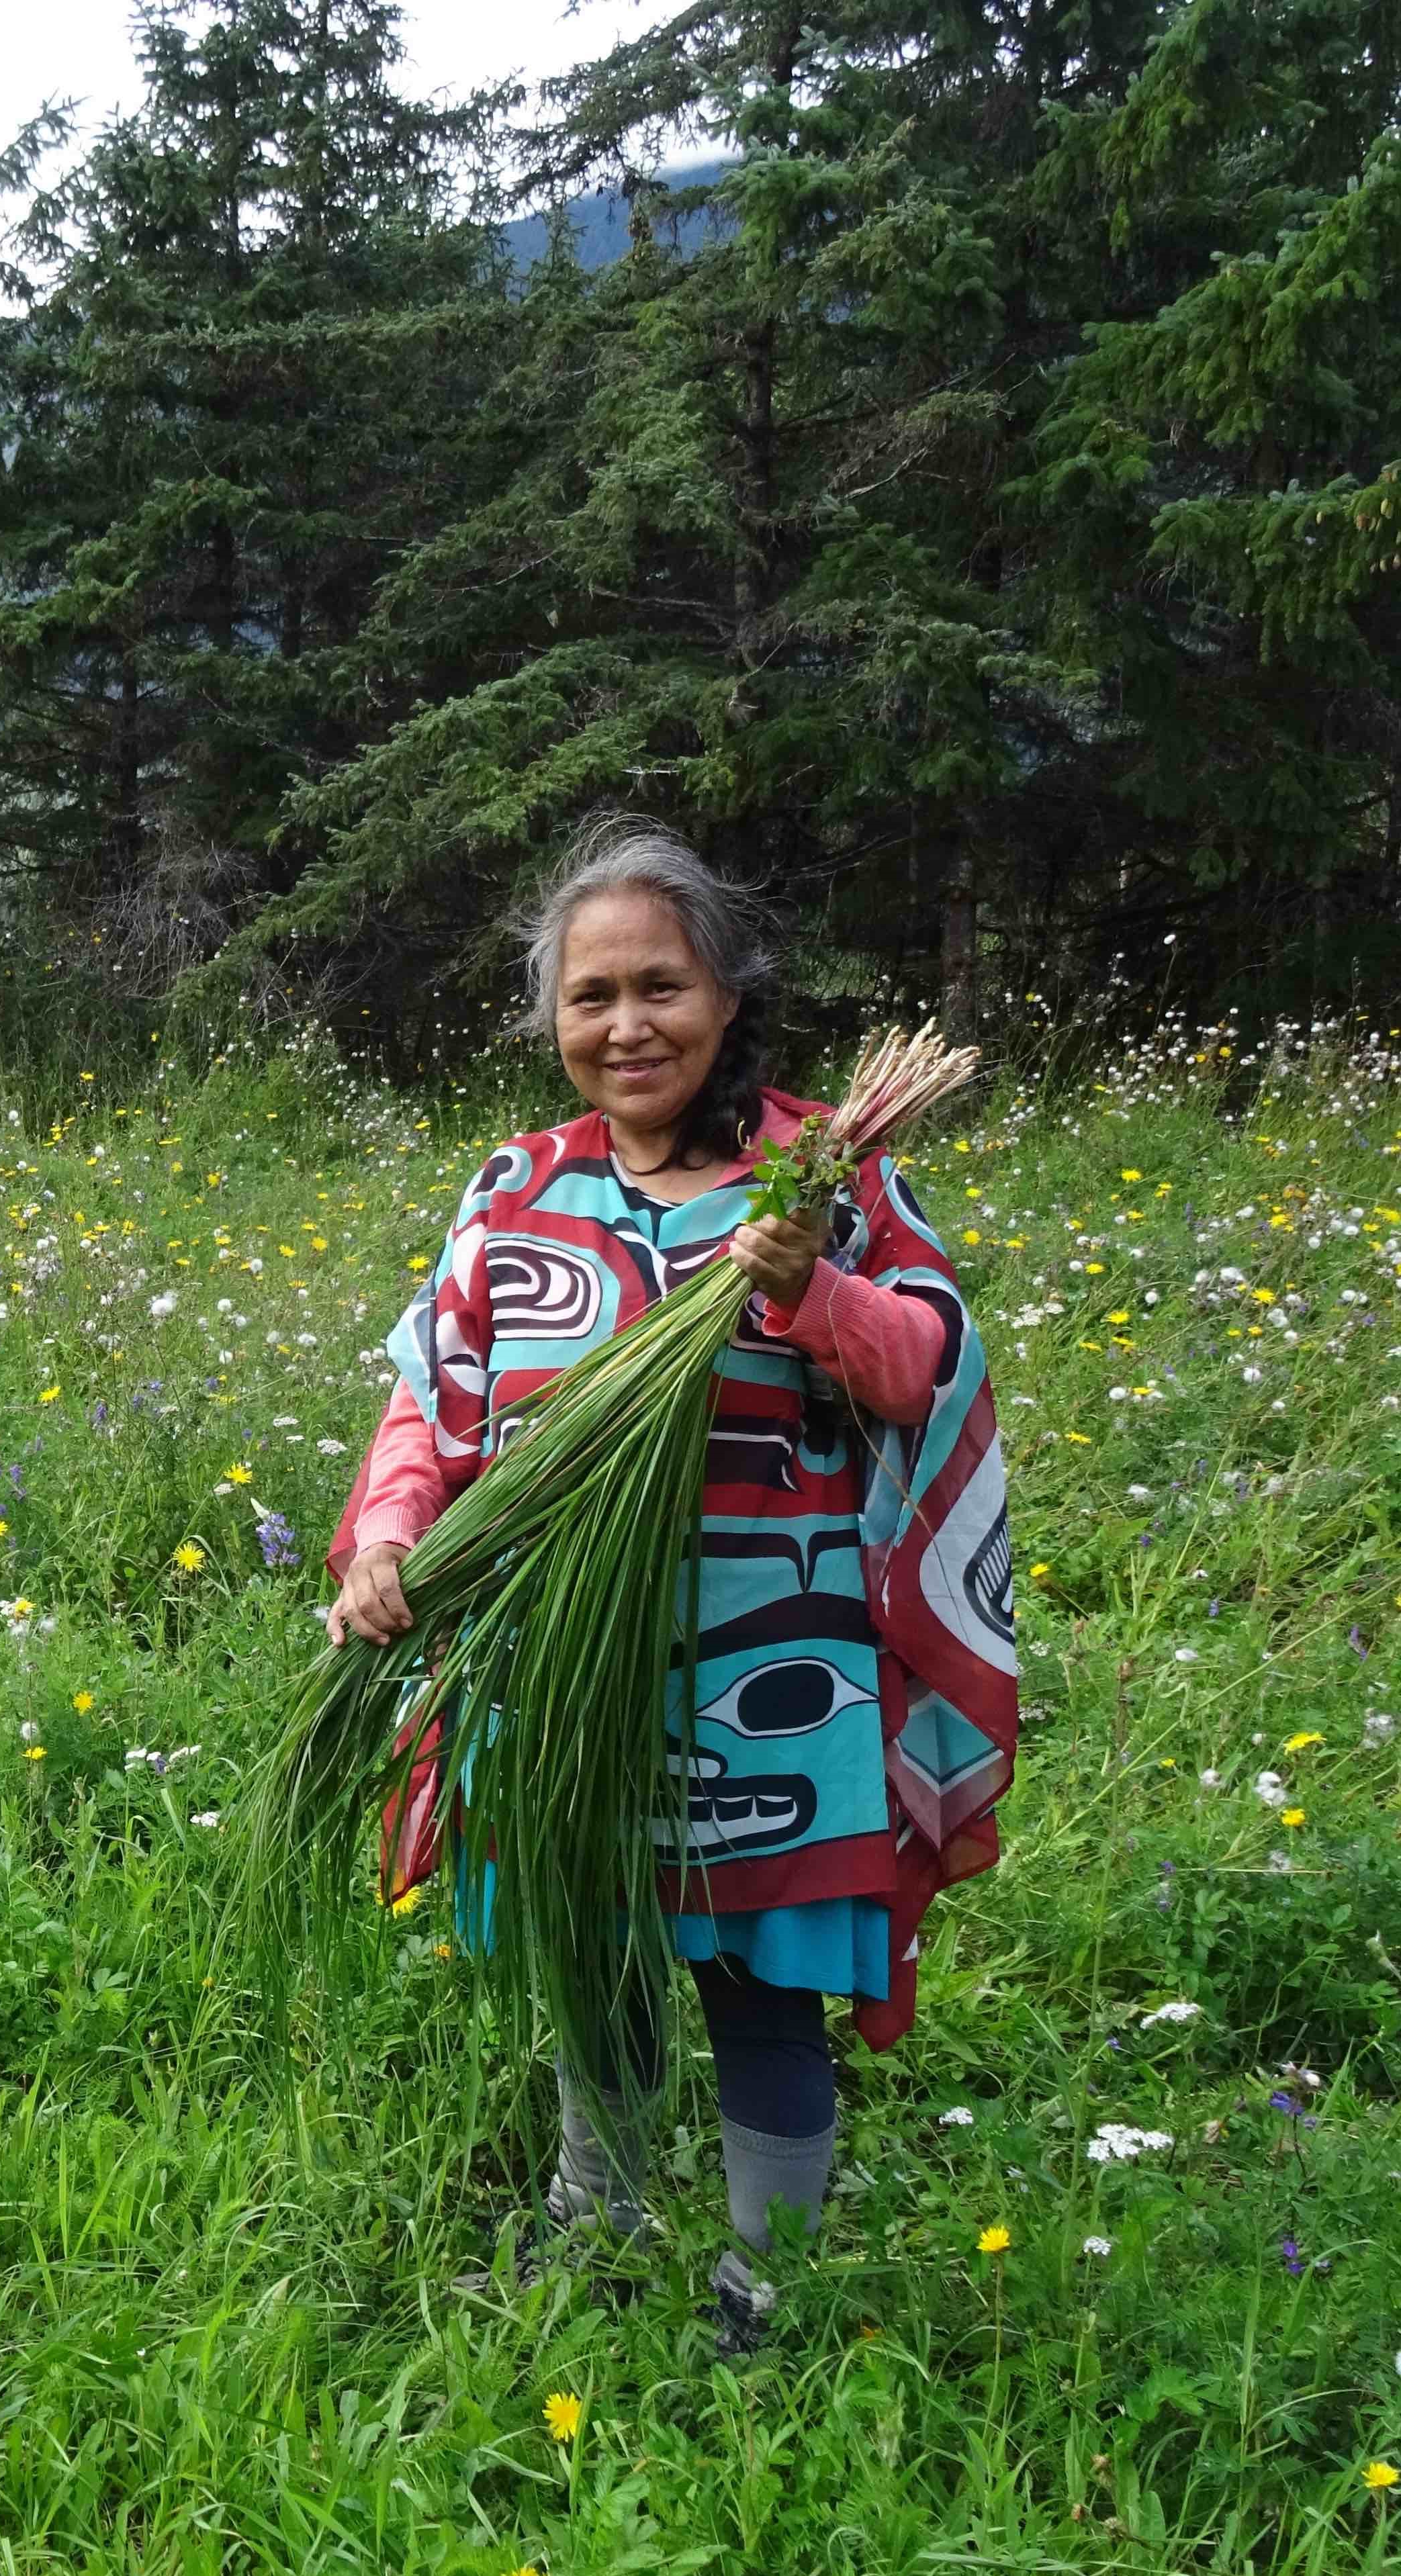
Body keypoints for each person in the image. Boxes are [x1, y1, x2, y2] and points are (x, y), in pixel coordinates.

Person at [322, 814, 1019, 2353]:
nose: (627, 1026)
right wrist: (386, 1538)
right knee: (598, 1944)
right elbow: (431, 1403)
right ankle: (598, 2219)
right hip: (565, 1660)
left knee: (760, 1985)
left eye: (662, 987)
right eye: (592, 996)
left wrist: (810, 1289)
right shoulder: (518, 1190)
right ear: (551, 1019)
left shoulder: (825, 1169)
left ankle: (772, 2289)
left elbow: (928, 1372)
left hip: (776, 1672)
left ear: (727, 995)